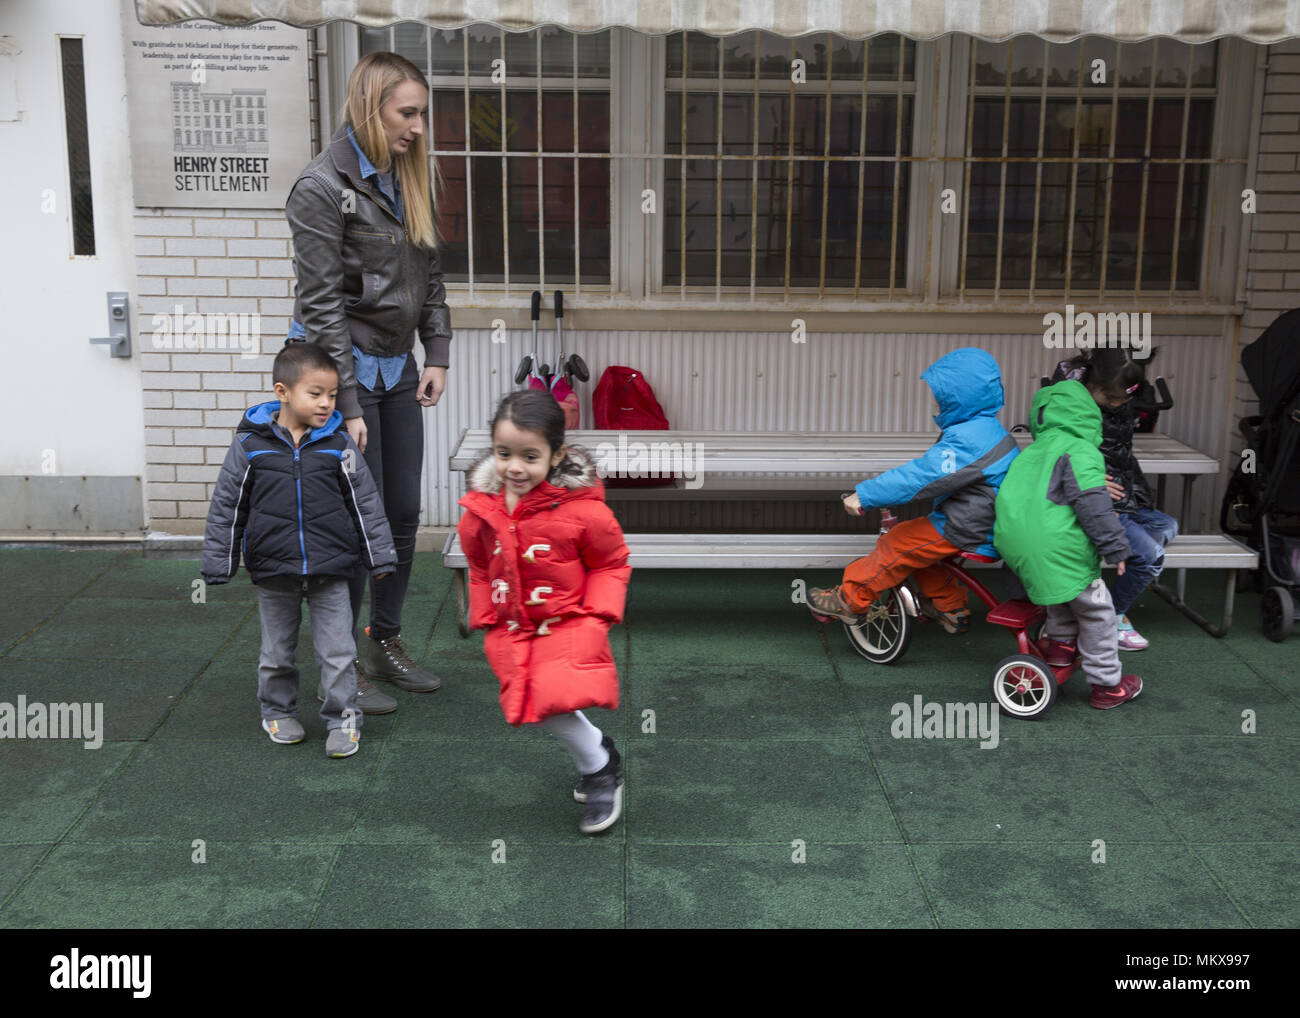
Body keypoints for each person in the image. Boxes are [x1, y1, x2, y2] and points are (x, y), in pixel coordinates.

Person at [284, 50, 451, 713]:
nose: (417, 127)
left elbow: (429, 274)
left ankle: (386, 639)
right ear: (368, 106)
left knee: (403, 515)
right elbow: (322, 307)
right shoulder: (320, 188)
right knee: (353, 521)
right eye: (407, 113)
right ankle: (339, 666)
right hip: (338, 377)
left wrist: (435, 350)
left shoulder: (409, 176)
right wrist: (344, 402)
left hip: (397, 368)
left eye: (421, 114)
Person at [200, 342, 397, 756]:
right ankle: (278, 711)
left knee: (339, 651)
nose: (327, 403)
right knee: (276, 652)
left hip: (331, 568)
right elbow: (228, 504)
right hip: (274, 570)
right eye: (316, 393)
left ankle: (343, 719)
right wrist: (220, 560)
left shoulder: (338, 445)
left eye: (331, 394)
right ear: (282, 392)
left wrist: (379, 556)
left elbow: (365, 504)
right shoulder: (250, 446)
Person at [457, 392, 632, 835]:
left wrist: (597, 615)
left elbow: (611, 563)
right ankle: (599, 751)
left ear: (556, 456)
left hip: (567, 619)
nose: (515, 467)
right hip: (512, 625)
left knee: (550, 699)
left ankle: (599, 769)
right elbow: (479, 564)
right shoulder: (483, 509)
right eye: (504, 453)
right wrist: (485, 612)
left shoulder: (582, 510)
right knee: (537, 705)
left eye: (530, 456)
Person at [804, 347, 1020, 631]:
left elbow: (921, 477)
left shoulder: (970, 439)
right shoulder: (986, 429)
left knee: (897, 542)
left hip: (967, 526)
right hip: (983, 522)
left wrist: (865, 495)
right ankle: (950, 608)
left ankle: (850, 598)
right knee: (923, 554)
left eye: (940, 394)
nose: (935, 401)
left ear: (959, 396)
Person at [994, 379, 1143, 709]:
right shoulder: (1080, 451)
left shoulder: (1031, 453)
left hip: (1016, 544)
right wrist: (1116, 548)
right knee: (1098, 612)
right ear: (1088, 416)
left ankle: (1061, 649)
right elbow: (1093, 504)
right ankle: (1107, 686)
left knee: (1060, 593)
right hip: (1057, 547)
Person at [1051, 348, 1177, 651]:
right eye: (1113, 398)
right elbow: (1055, 454)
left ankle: (1094, 601)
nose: (1119, 404)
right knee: (1150, 557)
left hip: (1120, 492)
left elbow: (1119, 454)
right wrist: (1090, 484)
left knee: (1166, 526)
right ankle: (1110, 616)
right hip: (1091, 498)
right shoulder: (1070, 407)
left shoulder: (1117, 401)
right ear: (1091, 384)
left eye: (1125, 399)